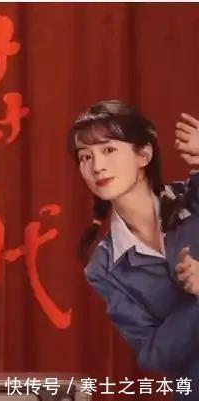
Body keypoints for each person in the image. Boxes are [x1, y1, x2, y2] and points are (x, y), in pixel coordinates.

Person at [67, 100, 199, 400]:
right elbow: (155, 355)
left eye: (108, 150)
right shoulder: (103, 267)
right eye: (85, 156)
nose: (97, 166)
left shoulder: (193, 198)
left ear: (144, 154)